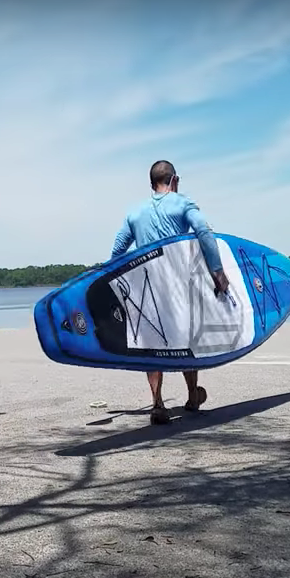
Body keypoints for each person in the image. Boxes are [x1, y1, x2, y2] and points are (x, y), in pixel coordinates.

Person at [110, 160, 230, 425]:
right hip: (178, 287)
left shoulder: (135, 213)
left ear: (152, 183)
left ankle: (158, 404)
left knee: (151, 345)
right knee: (188, 341)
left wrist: (113, 281)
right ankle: (191, 397)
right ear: (174, 179)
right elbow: (204, 233)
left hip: (147, 290)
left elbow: (118, 250)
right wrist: (218, 272)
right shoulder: (182, 203)